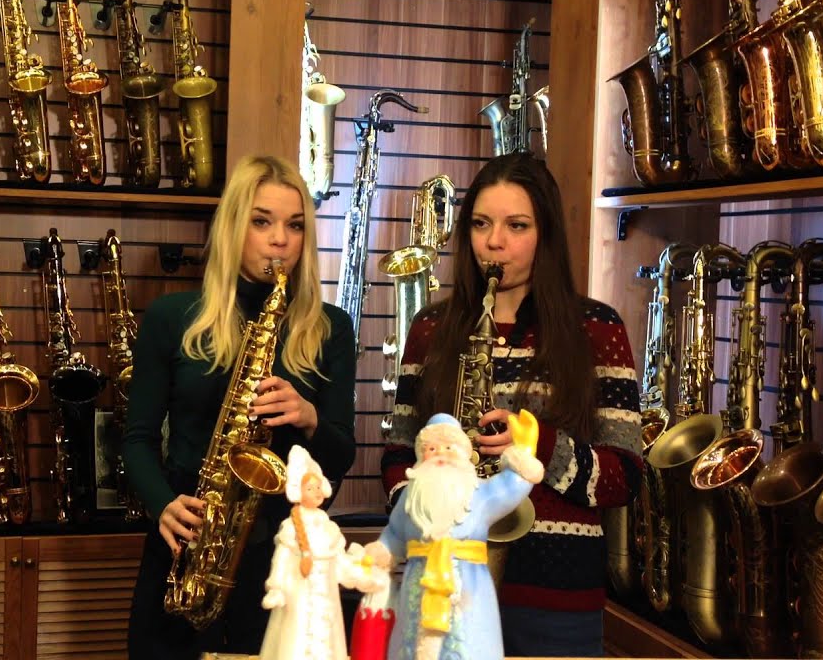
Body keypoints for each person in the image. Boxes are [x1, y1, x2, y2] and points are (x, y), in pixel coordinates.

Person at [381, 153, 643, 657]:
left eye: (516, 226)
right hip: (441, 588)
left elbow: (625, 476)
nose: (494, 242)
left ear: (546, 234)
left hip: (557, 600)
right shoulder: (431, 329)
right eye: (480, 224)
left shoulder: (597, 328)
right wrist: (420, 510)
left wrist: (536, 445)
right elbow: (398, 452)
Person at [123, 155, 357, 660]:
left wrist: (310, 417)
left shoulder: (331, 328)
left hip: (285, 553)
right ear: (233, 226)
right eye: (262, 222)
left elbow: (341, 456)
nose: (280, 240)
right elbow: (137, 438)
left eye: (295, 225)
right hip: (188, 538)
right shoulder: (171, 316)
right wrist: (163, 504)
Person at [365, 411, 544, 660]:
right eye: (431, 448)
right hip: (419, 580)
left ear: (462, 453)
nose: (440, 453)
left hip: (469, 583)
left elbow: (509, 487)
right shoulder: (411, 496)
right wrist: (381, 552)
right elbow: (394, 533)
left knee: (468, 639)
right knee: (412, 638)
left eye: (449, 447)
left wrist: (523, 452)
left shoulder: (478, 491)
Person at [260, 446, 388, 660]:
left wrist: (360, 574)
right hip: (299, 594)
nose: (317, 492)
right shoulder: (291, 527)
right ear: (298, 491)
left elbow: (339, 562)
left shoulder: (329, 527)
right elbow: (281, 560)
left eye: (318, 487)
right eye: (310, 488)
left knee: (326, 637)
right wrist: (277, 587)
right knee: (297, 635)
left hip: (326, 595)